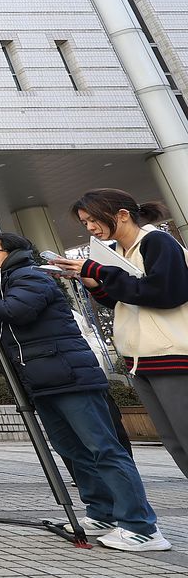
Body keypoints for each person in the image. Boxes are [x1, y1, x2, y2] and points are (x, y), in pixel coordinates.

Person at [0, 230, 171, 552]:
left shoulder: (30, 277)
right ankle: (102, 512)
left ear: (12, 253)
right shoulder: (2, 284)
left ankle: (141, 527)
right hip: (41, 381)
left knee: (104, 450)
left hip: (70, 377)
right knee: (73, 451)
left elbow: (16, 311)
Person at [55, 188, 188, 479]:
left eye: (93, 220)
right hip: (141, 359)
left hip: (173, 355)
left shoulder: (157, 242)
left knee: (184, 437)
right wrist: (92, 280)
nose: (90, 228)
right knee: (174, 441)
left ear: (123, 215)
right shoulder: (115, 252)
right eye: (84, 222)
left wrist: (98, 269)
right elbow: (122, 299)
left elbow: (166, 293)